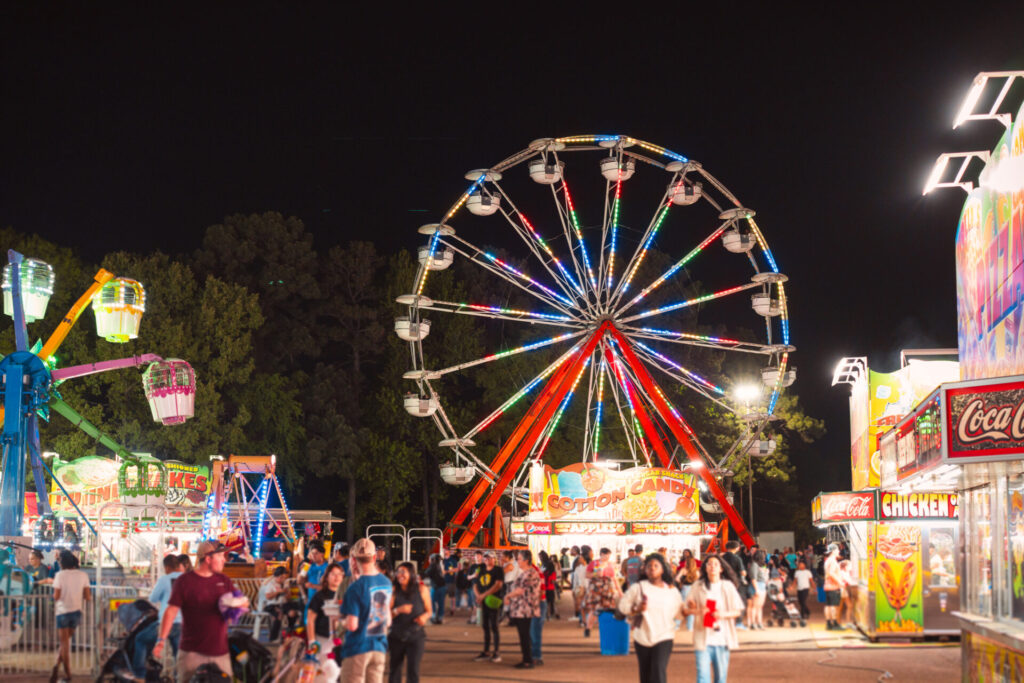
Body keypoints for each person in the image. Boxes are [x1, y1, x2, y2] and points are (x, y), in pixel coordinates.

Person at [153, 541, 247, 681]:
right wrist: (161, 639)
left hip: (220, 653)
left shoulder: (224, 580)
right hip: (191, 654)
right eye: (220, 556)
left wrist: (238, 603)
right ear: (208, 559)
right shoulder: (185, 581)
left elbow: (242, 602)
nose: (224, 560)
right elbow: (171, 611)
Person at [619, 553, 683, 683]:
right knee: (645, 672)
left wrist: (687, 610)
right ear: (644, 570)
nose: (652, 568)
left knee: (658, 669)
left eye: (656, 566)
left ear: (662, 569)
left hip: (665, 636)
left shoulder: (671, 591)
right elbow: (623, 606)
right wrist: (637, 609)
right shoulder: (638, 587)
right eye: (649, 566)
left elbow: (678, 613)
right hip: (642, 636)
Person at [340, 538, 393, 683]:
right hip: (379, 648)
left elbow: (352, 625)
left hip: (357, 648)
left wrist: (340, 622)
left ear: (353, 559)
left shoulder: (355, 588)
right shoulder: (386, 582)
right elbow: (387, 621)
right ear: (375, 557)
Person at [684, 555, 744, 683]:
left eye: (716, 564)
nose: (712, 566)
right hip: (702, 638)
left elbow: (737, 611)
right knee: (702, 677)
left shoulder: (728, 586)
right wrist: (698, 611)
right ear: (705, 568)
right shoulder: (697, 586)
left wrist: (722, 615)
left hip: (722, 639)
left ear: (721, 569)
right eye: (709, 564)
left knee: (721, 678)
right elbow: (686, 609)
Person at [133, 554, 182, 679]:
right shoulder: (187, 579)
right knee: (179, 655)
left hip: (166, 623)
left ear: (166, 567)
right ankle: (179, 679)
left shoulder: (164, 580)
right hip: (183, 624)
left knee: (140, 639)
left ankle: (139, 676)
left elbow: (153, 598)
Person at [51, 550, 91, 683]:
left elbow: (56, 596)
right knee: (65, 643)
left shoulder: (60, 576)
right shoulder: (82, 575)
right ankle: (56, 666)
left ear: (61, 562)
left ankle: (68, 675)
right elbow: (87, 596)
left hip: (63, 612)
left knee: (64, 645)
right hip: (76, 612)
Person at [388, 561, 431, 683]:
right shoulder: (393, 591)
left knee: (413, 671)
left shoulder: (422, 589)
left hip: (416, 636)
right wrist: (398, 610)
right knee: (394, 670)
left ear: (411, 574)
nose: (399, 575)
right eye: (398, 572)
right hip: (396, 635)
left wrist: (424, 617)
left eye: (403, 572)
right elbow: (386, 615)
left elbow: (429, 611)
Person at [504, 549, 542, 670]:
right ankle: (527, 658)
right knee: (524, 634)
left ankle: (527, 660)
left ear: (526, 560)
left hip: (525, 609)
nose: (517, 561)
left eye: (519, 559)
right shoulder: (527, 572)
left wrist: (508, 596)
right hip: (523, 608)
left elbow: (521, 590)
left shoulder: (529, 573)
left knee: (524, 635)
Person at [308, 562, 345, 672]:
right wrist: (312, 641)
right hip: (323, 639)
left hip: (341, 640)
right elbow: (310, 620)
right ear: (327, 576)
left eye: (339, 574)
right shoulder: (319, 596)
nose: (337, 577)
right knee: (322, 672)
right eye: (333, 574)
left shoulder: (346, 595)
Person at [471, 551, 504, 663]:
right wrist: (478, 596)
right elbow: (475, 584)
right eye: (485, 558)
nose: (487, 560)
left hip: (493, 601)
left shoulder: (498, 570)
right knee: (485, 626)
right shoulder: (481, 570)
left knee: (494, 626)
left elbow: (498, 585)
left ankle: (496, 652)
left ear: (494, 559)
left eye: (489, 558)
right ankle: (486, 651)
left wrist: (483, 595)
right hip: (483, 601)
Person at [582, 547, 619, 638]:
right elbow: (586, 575)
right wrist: (595, 574)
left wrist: (619, 591)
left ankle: (606, 629)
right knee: (594, 609)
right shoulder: (593, 563)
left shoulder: (610, 565)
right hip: (595, 588)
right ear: (601, 554)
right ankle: (588, 628)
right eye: (606, 556)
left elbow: (614, 579)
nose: (607, 558)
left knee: (608, 609)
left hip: (607, 589)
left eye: (609, 556)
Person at [257, 566, 296, 641]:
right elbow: (268, 596)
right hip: (271, 605)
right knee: (279, 614)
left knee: (292, 613)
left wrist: (287, 592)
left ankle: (290, 633)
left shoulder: (284, 583)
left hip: (283, 604)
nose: (284, 579)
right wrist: (278, 592)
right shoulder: (270, 583)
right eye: (283, 577)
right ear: (279, 576)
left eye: (285, 577)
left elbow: (288, 598)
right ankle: (273, 637)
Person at [674, 549, 699, 631]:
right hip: (694, 590)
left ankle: (676, 625)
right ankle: (690, 626)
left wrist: (681, 582)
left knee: (682, 607)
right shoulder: (696, 572)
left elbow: (677, 579)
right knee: (691, 609)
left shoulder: (683, 570)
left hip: (685, 589)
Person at [822, 543, 844, 630]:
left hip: (827, 586)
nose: (839, 551)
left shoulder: (827, 561)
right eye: (837, 549)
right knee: (834, 606)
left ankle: (829, 623)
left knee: (828, 605)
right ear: (833, 551)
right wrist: (840, 582)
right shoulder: (833, 561)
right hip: (833, 586)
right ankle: (834, 623)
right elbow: (831, 573)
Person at [747, 549, 769, 630]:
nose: (764, 557)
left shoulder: (759, 565)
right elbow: (753, 578)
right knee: (754, 606)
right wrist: (756, 590)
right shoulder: (754, 565)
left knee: (759, 606)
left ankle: (759, 623)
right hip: (757, 586)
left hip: (762, 585)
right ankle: (753, 623)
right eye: (763, 555)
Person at [302, 541, 329, 607]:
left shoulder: (328, 567)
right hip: (310, 601)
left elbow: (329, 587)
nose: (313, 556)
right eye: (312, 553)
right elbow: (300, 580)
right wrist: (304, 596)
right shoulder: (308, 565)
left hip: (324, 602)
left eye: (316, 553)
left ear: (322, 554)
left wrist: (313, 586)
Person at [424, 554, 447, 625]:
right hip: (442, 586)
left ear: (432, 559)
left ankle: (434, 616)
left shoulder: (433, 565)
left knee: (432, 602)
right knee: (440, 603)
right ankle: (440, 617)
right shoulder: (438, 565)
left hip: (436, 587)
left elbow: (426, 574)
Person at [539, 551, 558, 619]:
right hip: (546, 585)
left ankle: (551, 614)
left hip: (549, 585)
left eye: (540, 556)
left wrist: (552, 579)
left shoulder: (548, 564)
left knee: (550, 601)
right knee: (548, 601)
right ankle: (548, 614)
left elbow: (553, 574)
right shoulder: (543, 564)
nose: (540, 558)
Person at [443, 550, 459, 617]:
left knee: (452, 596)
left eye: (446, 550)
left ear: (449, 551)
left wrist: (447, 571)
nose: (444, 552)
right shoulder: (442, 560)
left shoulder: (453, 560)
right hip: (442, 581)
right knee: (442, 596)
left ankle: (452, 609)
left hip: (451, 580)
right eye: (444, 550)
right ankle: (442, 610)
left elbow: (456, 569)